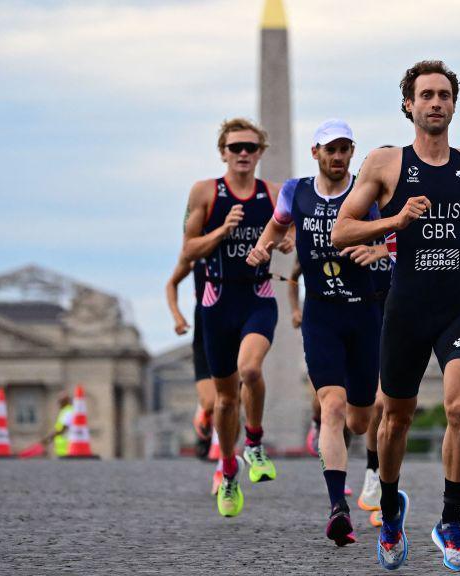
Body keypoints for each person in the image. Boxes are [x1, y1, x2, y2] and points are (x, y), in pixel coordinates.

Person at [332, 60, 460, 571]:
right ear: (408, 104)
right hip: (405, 307)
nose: (435, 103)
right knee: (395, 417)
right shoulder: (385, 164)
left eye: (444, 95)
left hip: (457, 305)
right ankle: (390, 506)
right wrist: (397, 220)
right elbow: (341, 231)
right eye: (425, 95)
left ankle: (450, 519)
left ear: (454, 103)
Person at [248, 119, 388, 545]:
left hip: (365, 314)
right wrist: (263, 244)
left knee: (362, 420)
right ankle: (337, 508)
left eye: (345, 149)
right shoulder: (296, 191)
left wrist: (379, 248)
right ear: (316, 153)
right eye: (331, 148)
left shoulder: (365, 194)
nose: (339, 156)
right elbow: (277, 223)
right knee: (332, 407)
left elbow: (396, 237)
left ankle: (373, 472)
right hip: (322, 315)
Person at [182, 118, 290, 518]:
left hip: (258, 297)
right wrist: (222, 232)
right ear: (223, 152)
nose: (243, 154)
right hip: (217, 300)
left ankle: (255, 443)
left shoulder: (273, 193)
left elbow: (289, 233)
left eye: (250, 147)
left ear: (261, 152)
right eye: (235, 147)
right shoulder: (205, 192)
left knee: (251, 370)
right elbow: (189, 249)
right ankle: (228, 469)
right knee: (225, 401)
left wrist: (285, 241)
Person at [165, 255, 216, 459]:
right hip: (205, 323)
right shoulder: (196, 253)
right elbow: (172, 283)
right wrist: (178, 316)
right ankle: (204, 414)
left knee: (234, 392)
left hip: (238, 321)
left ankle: (225, 451)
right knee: (212, 400)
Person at [41, 391, 73, 458]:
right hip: (63, 448)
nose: (58, 403)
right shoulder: (65, 411)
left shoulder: (68, 411)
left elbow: (63, 428)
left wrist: (49, 438)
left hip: (67, 447)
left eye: (60, 401)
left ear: (65, 401)